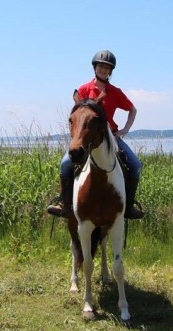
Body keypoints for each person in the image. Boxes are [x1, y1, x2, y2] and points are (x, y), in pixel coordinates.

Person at [46, 49, 145, 220]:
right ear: (95, 68)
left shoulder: (115, 92)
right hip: (87, 139)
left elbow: (132, 109)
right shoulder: (84, 89)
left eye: (107, 68)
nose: (103, 70)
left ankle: (127, 207)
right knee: (65, 165)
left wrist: (125, 129)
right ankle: (65, 204)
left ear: (111, 71)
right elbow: (78, 115)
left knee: (135, 166)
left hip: (111, 137)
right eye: (101, 66)